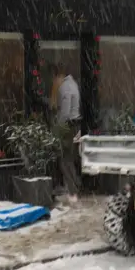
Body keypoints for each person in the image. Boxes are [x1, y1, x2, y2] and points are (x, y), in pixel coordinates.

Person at [51, 62, 81, 203]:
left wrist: (58, 128)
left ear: (58, 76)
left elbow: (65, 111)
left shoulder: (65, 87)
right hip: (74, 125)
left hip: (67, 126)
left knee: (64, 160)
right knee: (69, 159)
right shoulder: (73, 84)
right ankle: (73, 188)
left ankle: (72, 192)